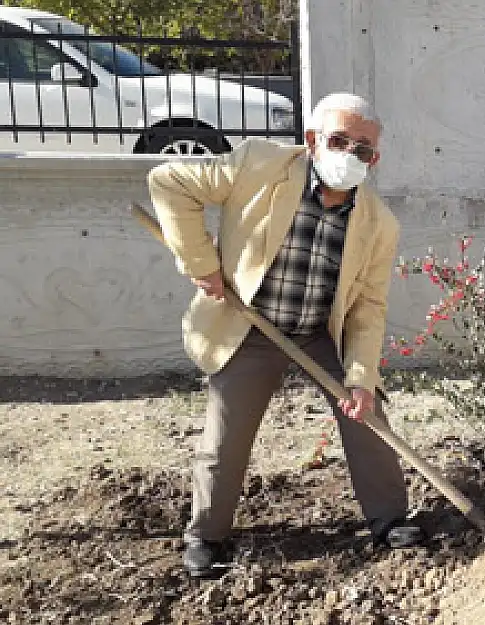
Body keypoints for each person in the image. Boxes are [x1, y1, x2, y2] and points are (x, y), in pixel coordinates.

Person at [148, 92, 424, 577]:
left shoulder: (379, 224)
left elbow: (367, 308)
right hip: (250, 324)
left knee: (368, 413)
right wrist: (202, 264)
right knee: (226, 435)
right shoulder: (261, 165)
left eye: (363, 149)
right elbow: (170, 181)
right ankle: (206, 535)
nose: (350, 155)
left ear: (374, 159)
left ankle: (388, 521)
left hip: (319, 332)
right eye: (339, 140)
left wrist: (360, 376)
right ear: (313, 140)